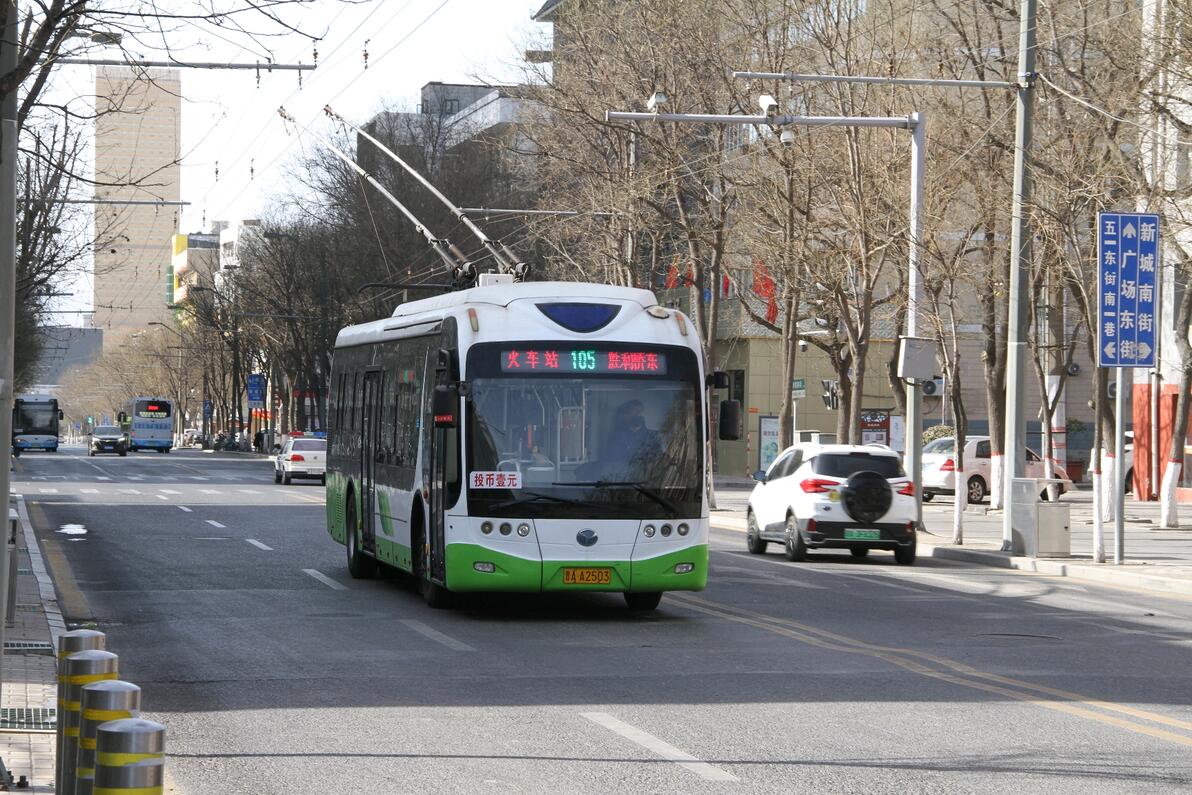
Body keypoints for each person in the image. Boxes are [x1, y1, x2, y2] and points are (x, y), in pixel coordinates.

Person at [599, 400, 662, 479]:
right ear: (626, 416)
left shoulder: (653, 436)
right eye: (634, 412)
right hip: (623, 482)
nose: (639, 415)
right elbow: (612, 462)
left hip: (648, 484)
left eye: (641, 412)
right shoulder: (615, 437)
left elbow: (658, 462)